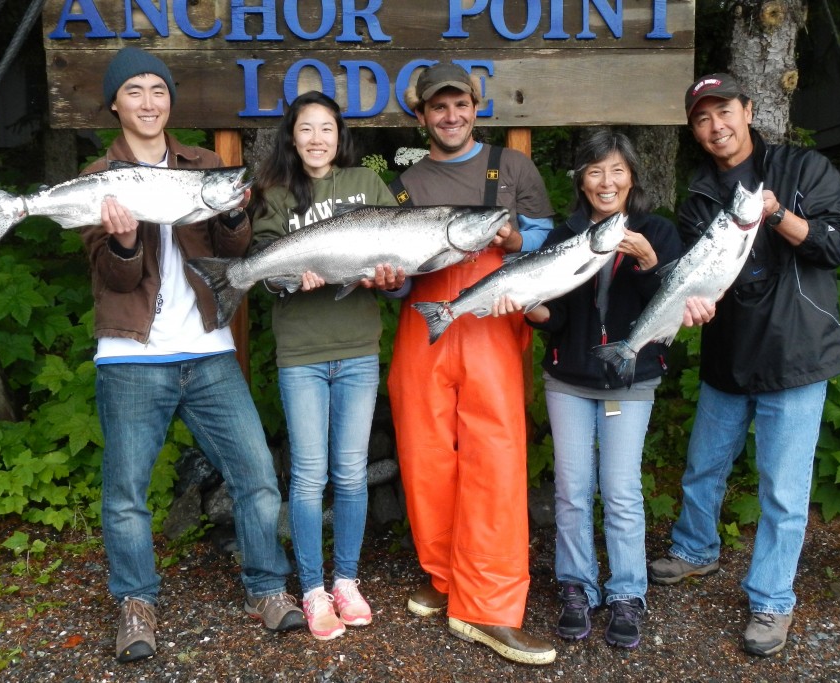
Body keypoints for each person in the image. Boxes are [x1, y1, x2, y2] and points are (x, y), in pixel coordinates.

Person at [81, 46, 305, 663]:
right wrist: (125, 243)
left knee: (257, 474)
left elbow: (231, 248)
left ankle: (265, 587)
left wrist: (234, 214)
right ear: (115, 104)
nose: (150, 101)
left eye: (159, 89)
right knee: (126, 490)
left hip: (209, 350)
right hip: (131, 356)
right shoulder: (101, 178)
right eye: (135, 91)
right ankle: (135, 602)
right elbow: (115, 279)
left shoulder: (206, 164)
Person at [648, 73, 840, 657]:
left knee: (783, 490)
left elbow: (838, 244)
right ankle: (695, 551)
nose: (716, 127)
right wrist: (691, 304)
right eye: (702, 119)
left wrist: (778, 216)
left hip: (796, 350)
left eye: (725, 112)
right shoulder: (696, 195)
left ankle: (771, 599)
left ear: (748, 109)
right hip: (729, 350)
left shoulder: (802, 169)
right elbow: (701, 276)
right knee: (702, 466)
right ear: (694, 130)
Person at [386, 62, 557, 666]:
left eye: (460, 105)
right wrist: (388, 281)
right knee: (426, 458)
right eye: (438, 107)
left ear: (477, 107)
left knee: (495, 461)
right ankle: (446, 577)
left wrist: (515, 243)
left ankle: (489, 608)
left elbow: (550, 244)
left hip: (491, 325)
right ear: (421, 116)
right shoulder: (402, 183)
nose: (450, 116)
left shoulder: (513, 168)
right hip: (423, 330)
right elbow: (396, 283)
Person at [496, 130, 681, 649]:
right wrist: (530, 308)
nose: (607, 181)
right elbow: (555, 319)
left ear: (633, 178)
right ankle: (577, 586)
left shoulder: (657, 232)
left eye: (617, 170)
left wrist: (647, 262)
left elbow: (667, 307)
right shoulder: (564, 235)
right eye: (596, 171)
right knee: (571, 492)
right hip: (569, 380)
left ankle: (627, 593)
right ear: (581, 180)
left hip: (630, 379)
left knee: (621, 492)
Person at [247, 91, 403, 641]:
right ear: (292, 136)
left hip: (359, 346)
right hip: (302, 353)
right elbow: (266, 271)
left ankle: (347, 580)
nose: (317, 139)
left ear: (341, 137)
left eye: (327, 129)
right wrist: (291, 274)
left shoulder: (367, 185)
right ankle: (312, 588)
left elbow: (397, 269)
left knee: (352, 473)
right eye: (306, 129)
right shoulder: (275, 192)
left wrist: (390, 277)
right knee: (310, 476)